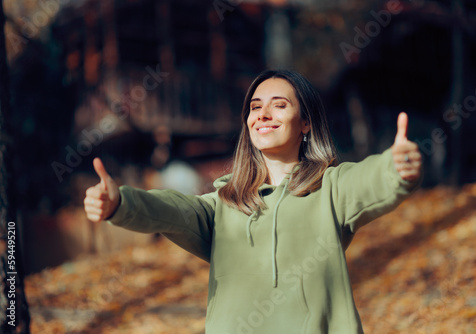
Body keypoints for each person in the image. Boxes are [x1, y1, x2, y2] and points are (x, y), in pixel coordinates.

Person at [84, 69, 422, 334]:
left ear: (306, 122)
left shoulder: (331, 188)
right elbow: (170, 209)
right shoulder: (223, 204)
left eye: (279, 104)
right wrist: (120, 203)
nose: (262, 114)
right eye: (255, 107)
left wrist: (396, 167)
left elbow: (370, 179)